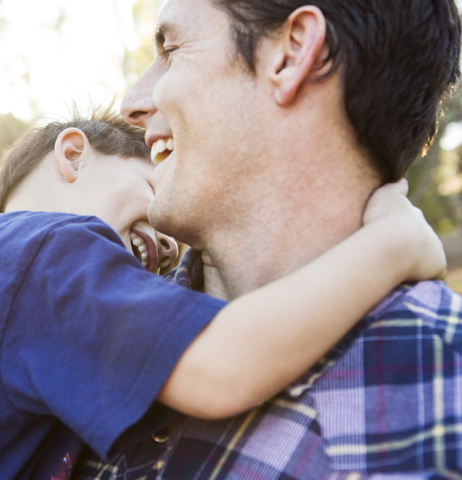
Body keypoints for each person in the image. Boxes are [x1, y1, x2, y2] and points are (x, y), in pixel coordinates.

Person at [0, 110, 443, 480]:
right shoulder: (41, 253)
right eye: (154, 182)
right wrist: (392, 245)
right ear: (74, 156)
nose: (171, 244)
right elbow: (222, 366)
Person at [72, 0, 462, 479]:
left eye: (172, 50)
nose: (132, 102)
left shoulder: (444, 399)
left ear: (293, 52)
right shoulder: (74, 321)